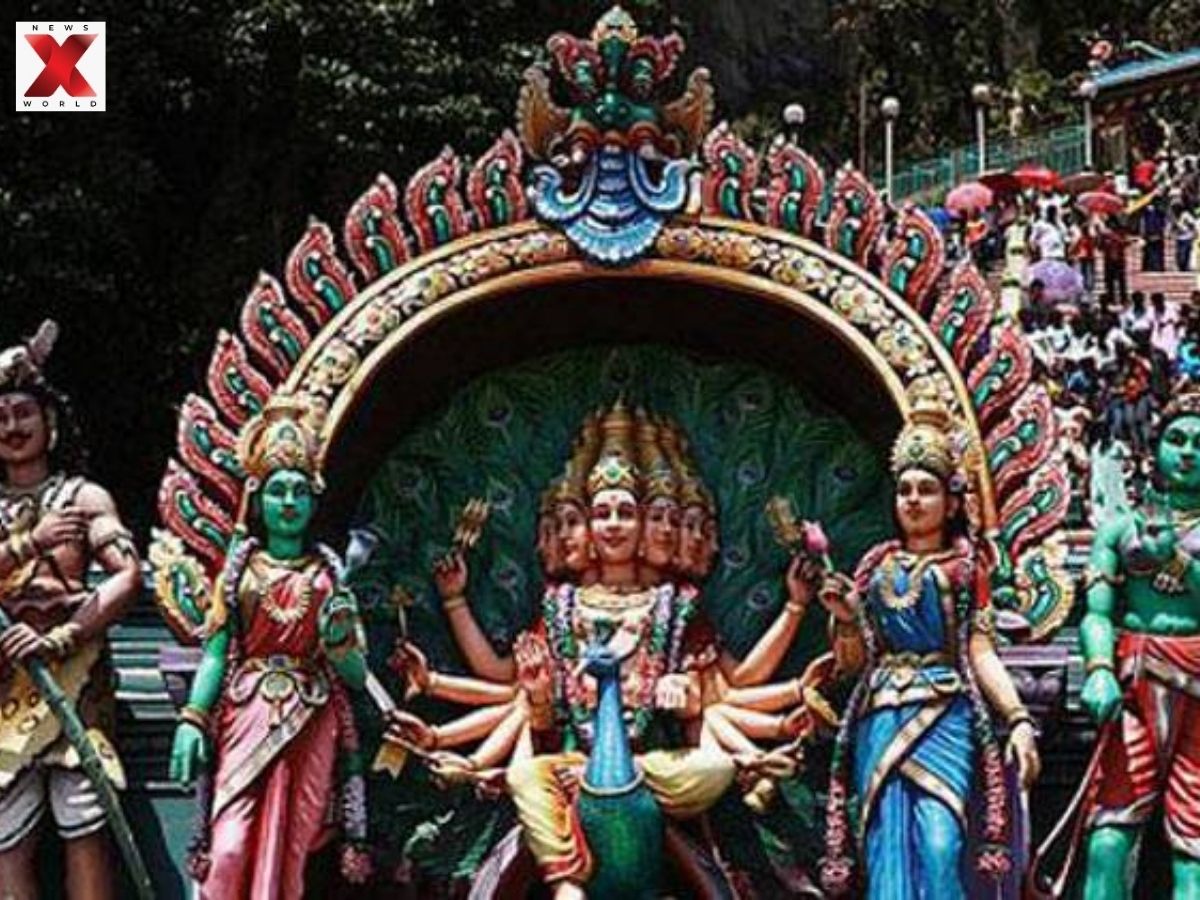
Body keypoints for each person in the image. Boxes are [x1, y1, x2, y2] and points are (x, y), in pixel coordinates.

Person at [819, 391, 1040, 899]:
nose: (913, 500)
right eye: (904, 491)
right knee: (884, 846)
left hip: (946, 709)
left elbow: (979, 648)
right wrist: (847, 621)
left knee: (940, 843)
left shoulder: (965, 568)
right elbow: (851, 664)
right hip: (880, 711)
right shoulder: (875, 567)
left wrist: (1018, 717)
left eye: (926, 489)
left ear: (951, 501)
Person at [169, 396, 374, 900]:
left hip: (311, 713)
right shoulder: (239, 574)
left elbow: (354, 672)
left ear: (313, 501)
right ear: (257, 500)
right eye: (277, 491)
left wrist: (337, 639)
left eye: (299, 492)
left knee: (293, 848)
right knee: (232, 843)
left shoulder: (328, 577)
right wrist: (193, 719)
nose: (288, 503)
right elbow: (217, 652)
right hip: (246, 710)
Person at [0, 321, 141, 900]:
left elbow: (128, 574)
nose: (11, 426)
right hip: (5, 685)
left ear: (50, 424)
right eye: (0, 417)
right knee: (6, 838)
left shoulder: (82, 497)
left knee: (84, 820)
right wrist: (29, 544)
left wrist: (62, 638)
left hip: (72, 677)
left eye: (23, 414)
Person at [1076, 390, 1200, 898]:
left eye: (1199, 443)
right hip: (1132, 686)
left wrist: (1179, 564)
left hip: (1196, 691)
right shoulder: (1120, 529)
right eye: (1176, 439)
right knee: (1107, 841)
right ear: (1155, 452)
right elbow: (1097, 614)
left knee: (1193, 855)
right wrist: (1099, 668)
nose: (1188, 451)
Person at [1099, 221, 1130, 305]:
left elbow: (1125, 243)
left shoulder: (1120, 233)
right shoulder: (1104, 235)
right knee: (1110, 281)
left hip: (1119, 260)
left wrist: (1118, 239)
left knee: (1121, 281)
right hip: (1109, 260)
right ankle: (1111, 299)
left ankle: (1123, 299)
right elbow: (1100, 247)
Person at [1174, 202, 1196, 272]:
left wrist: (1186, 228)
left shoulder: (1186, 215)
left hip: (1187, 237)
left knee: (1185, 254)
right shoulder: (1174, 216)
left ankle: (1185, 267)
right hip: (1179, 237)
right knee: (1179, 254)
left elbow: (1192, 224)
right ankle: (1181, 267)